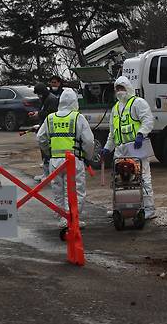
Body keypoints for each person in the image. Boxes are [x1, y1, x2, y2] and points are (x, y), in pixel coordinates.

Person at [37, 88, 95, 228]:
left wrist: (48, 151)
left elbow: (41, 138)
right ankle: (73, 218)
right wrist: (88, 156)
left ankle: (63, 218)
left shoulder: (50, 118)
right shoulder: (77, 117)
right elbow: (89, 141)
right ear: (75, 102)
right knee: (75, 191)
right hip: (73, 161)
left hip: (55, 161)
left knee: (58, 190)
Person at [101, 76, 156, 219]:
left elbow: (148, 120)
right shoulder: (115, 108)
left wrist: (141, 134)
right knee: (119, 179)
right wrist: (107, 148)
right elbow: (113, 133)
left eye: (122, 88)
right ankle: (119, 207)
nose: (119, 91)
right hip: (120, 149)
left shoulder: (137, 103)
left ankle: (148, 207)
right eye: (117, 89)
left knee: (142, 177)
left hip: (136, 147)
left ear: (128, 88)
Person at [30, 82, 59, 181]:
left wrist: (39, 114)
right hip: (44, 127)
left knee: (48, 152)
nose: (38, 96)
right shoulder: (44, 99)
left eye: (39, 94)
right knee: (44, 152)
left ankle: (48, 175)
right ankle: (46, 173)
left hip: (49, 130)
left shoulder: (51, 99)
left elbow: (50, 114)